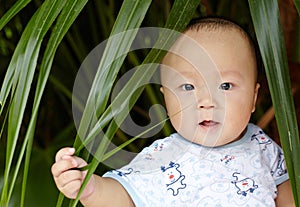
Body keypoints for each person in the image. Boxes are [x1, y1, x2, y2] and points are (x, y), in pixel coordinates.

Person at [51, 17, 295, 206]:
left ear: (253, 97)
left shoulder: (263, 147)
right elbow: (125, 197)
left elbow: (287, 193)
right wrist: (90, 187)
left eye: (225, 86)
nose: (206, 101)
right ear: (166, 98)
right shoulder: (162, 157)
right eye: (188, 87)